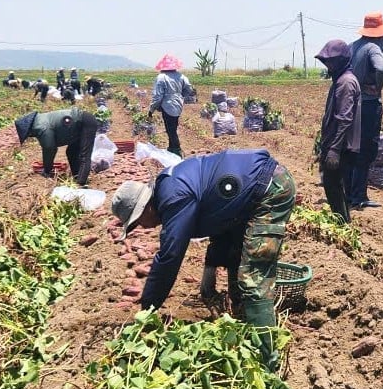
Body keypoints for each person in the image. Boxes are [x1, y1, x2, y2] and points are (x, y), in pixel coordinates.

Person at [110, 149, 296, 369]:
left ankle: (266, 359)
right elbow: (220, 221)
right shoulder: (169, 187)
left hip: (270, 190)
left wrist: (147, 309)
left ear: (145, 208)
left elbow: (170, 256)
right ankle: (243, 322)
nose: (141, 227)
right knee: (236, 258)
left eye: (137, 221)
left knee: (253, 276)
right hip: (251, 194)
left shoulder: (173, 196)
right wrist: (209, 273)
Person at [348, 11, 383, 209]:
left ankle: (349, 192)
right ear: (382, 35)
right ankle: (359, 196)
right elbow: (381, 68)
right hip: (368, 105)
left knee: (352, 149)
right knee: (366, 150)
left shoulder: (353, 46)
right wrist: (377, 87)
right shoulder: (373, 47)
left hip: (352, 104)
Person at [316, 39, 361, 222]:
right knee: (334, 186)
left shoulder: (345, 82)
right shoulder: (340, 80)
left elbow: (344, 119)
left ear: (342, 60)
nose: (328, 65)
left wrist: (334, 149)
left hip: (342, 146)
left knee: (334, 186)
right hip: (337, 144)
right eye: (326, 61)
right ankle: (342, 221)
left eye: (332, 61)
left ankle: (342, 224)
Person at [15, 106, 99, 186]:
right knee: (71, 152)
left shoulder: (41, 127)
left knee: (84, 155)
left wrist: (47, 170)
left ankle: (81, 183)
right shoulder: (39, 121)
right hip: (78, 125)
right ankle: (77, 176)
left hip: (86, 122)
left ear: (29, 130)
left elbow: (49, 148)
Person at [148, 54, 195, 157]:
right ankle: (172, 148)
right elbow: (189, 89)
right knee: (173, 127)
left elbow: (158, 96)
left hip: (167, 105)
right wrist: (181, 96)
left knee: (171, 129)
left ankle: (176, 151)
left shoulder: (161, 77)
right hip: (178, 104)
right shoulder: (181, 76)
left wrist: (151, 109)